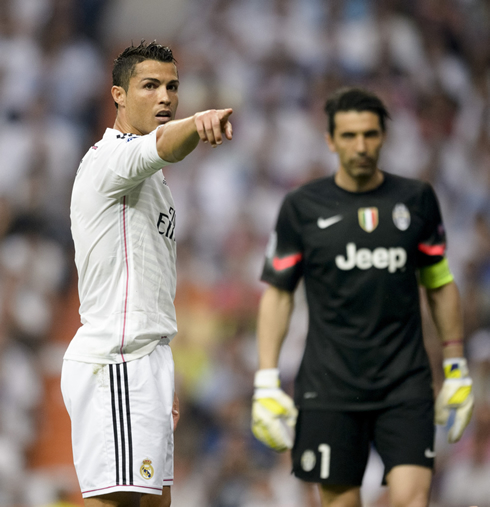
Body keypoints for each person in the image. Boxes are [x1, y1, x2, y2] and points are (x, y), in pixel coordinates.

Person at [251, 87, 474, 507]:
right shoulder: (302, 207)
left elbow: (439, 282)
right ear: (330, 140)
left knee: (412, 499)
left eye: (370, 134)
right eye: (349, 136)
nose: (361, 146)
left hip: (404, 381)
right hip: (329, 385)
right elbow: (277, 294)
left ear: (383, 136)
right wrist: (265, 381)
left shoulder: (416, 200)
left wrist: (456, 364)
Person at [61, 41, 232, 507]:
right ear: (117, 95)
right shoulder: (113, 158)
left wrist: (162, 366)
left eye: (173, 87)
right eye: (150, 86)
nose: (165, 98)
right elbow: (162, 147)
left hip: (147, 358)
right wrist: (197, 125)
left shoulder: (152, 183)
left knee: (158, 503)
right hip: (115, 359)